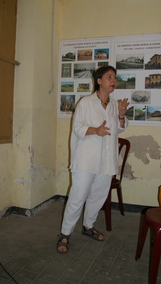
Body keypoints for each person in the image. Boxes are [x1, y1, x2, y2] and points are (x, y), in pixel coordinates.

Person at [57, 65, 130, 254]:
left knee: (98, 196)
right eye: (109, 77)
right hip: (86, 159)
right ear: (99, 80)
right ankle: (65, 233)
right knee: (77, 197)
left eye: (114, 77)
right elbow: (78, 128)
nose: (113, 80)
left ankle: (88, 226)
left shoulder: (114, 104)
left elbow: (120, 128)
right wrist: (95, 130)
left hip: (106, 160)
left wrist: (121, 115)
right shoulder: (85, 102)